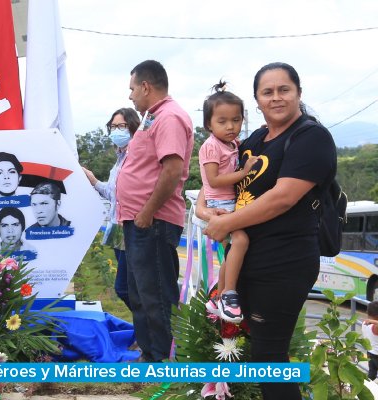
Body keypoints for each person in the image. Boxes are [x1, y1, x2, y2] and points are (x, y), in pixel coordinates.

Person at [200, 62, 336, 399]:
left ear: (298, 93)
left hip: (283, 262)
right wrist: (206, 211)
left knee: (270, 357)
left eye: (284, 90)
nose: (276, 98)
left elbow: (283, 198)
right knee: (262, 353)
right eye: (267, 92)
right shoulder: (255, 140)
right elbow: (215, 182)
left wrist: (227, 223)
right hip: (248, 258)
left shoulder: (310, 137)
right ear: (257, 101)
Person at [116, 60, 193, 362]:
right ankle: (150, 352)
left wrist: (147, 211)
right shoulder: (154, 117)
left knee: (157, 293)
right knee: (139, 292)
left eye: (132, 88)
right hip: (140, 221)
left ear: (146, 86)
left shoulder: (170, 118)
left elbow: (172, 170)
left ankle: (165, 358)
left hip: (153, 221)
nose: (131, 95)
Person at [197, 83, 258, 324]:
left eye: (236, 120)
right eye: (222, 121)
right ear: (209, 124)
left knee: (233, 251)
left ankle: (218, 296)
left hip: (230, 202)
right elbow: (213, 179)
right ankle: (228, 294)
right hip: (220, 203)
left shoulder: (231, 144)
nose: (231, 126)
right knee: (241, 241)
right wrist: (244, 172)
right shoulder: (211, 146)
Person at [82, 107, 141, 311]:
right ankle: (143, 333)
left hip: (130, 226)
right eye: (113, 126)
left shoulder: (137, 156)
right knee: (128, 287)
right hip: (117, 227)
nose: (116, 130)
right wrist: (94, 181)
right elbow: (114, 193)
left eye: (121, 126)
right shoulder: (120, 157)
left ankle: (149, 333)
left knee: (126, 288)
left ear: (133, 127)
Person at [363, 301, 378, 381]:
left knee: (372, 374)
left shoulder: (365, 323)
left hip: (370, 353)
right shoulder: (375, 327)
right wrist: (373, 321)